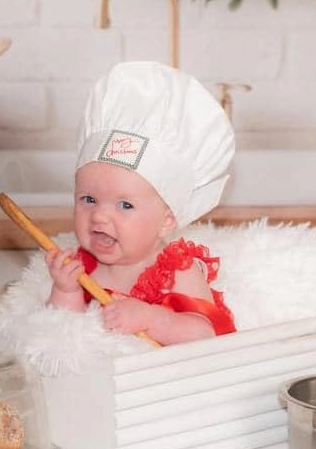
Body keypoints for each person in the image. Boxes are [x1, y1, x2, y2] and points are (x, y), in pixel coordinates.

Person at [46, 61, 237, 345]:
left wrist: (153, 318)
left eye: (125, 205)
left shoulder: (175, 270)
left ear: (167, 221)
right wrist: (66, 291)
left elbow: (207, 333)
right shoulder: (83, 267)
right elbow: (62, 339)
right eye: (88, 199)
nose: (99, 216)